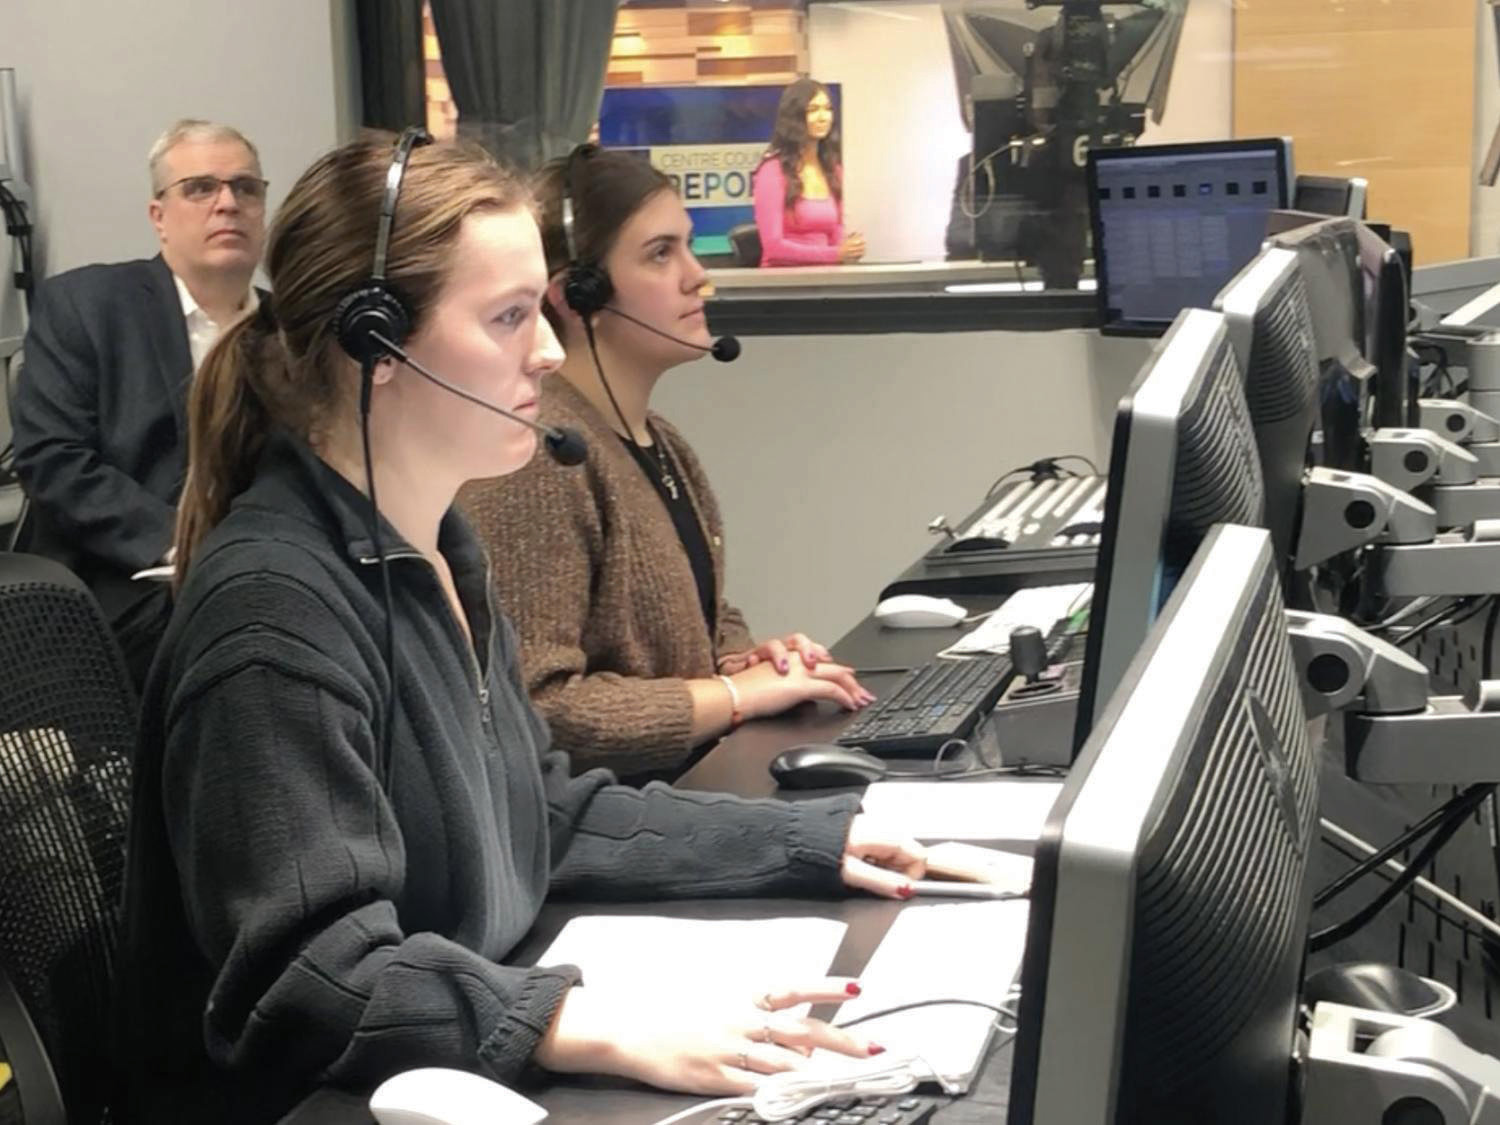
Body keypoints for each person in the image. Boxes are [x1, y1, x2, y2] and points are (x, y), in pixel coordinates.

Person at [116, 133, 924, 1124]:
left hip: (444, 1060)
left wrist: (819, 837)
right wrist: (590, 1026)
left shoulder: (439, 550)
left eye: (539, 309)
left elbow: (544, 814)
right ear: (374, 344)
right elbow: (310, 976)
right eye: (506, 318)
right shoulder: (273, 614)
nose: (547, 349)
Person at [459, 146, 874, 781]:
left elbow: (695, 620)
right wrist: (735, 697)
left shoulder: (661, 442)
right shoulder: (542, 459)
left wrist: (750, 660)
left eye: (687, 246)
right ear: (579, 295)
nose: (697, 276)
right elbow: (538, 708)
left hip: (681, 795)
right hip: (607, 839)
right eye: (660, 253)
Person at [11, 118, 267, 689]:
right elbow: (52, 459)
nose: (227, 202)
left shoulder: (291, 332)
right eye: (200, 188)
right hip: (125, 580)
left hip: (264, 569)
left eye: (246, 188)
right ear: (159, 218)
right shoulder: (87, 305)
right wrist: (194, 543)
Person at [751, 78, 865, 267]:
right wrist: (835, 254)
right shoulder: (772, 170)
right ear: (795, 116)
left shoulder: (833, 170)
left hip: (827, 280)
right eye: (813, 110)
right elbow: (773, 246)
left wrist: (849, 250)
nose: (823, 117)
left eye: (827, 109)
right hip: (785, 283)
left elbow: (835, 233)